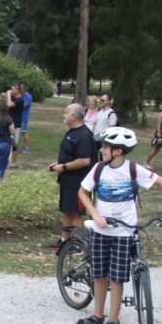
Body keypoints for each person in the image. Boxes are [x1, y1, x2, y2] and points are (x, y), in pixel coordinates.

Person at [76, 127, 162, 324]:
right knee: (99, 274)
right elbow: (82, 192)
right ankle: (98, 314)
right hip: (101, 231)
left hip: (124, 233)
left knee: (117, 277)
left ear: (118, 151)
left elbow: (161, 182)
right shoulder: (99, 168)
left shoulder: (133, 169)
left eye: (105, 147)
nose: (101, 150)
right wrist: (94, 213)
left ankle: (113, 320)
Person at [45, 103, 95, 250]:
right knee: (67, 210)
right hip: (67, 180)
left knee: (76, 213)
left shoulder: (84, 135)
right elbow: (73, 155)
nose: (64, 115)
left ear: (74, 116)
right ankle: (64, 241)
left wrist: (63, 167)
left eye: (66, 112)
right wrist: (58, 164)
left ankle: (75, 244)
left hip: (78, 182)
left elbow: (85, 160)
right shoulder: (72, 132)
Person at [5, 84, 25, 168]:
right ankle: (7, 161)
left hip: (16, 125)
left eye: (12, 89)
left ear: (17, 90)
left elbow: (9, 105)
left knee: (14, 145)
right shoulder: (13, 99)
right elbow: (7, 105)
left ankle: (12, 163)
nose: (11, 91)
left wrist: (8, 94)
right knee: (7, 143)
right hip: (10, 124)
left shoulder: (20, 100)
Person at [18, 83, 32, 154]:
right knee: (18, 132)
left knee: (24, 132)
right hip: (18, 116)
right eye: (19, 88)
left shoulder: (28, 97)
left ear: (25, 89)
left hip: (24, 117)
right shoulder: (19, 95)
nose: (19, 89)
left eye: (21, 88)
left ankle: (27, 148)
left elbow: (23, 106)